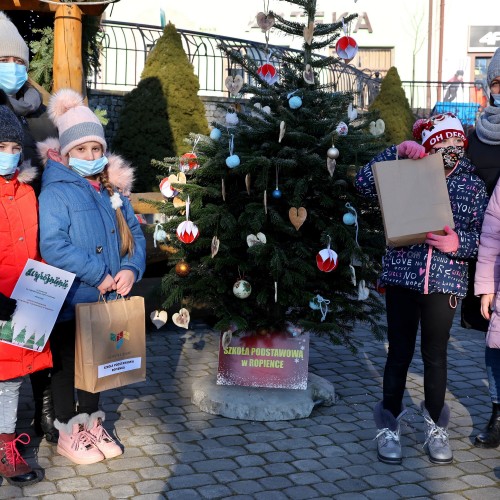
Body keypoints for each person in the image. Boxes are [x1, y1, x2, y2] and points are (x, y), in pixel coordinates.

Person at [356, 112, 488, 465]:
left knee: (436, 356)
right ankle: (389, 426)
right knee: (398, 353)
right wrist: (395, 151)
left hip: (445, 282)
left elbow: (483, 236)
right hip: (402, 278)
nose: (453, 149)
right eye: (445, 143)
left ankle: (435, 427)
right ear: (430, 146)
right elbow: (362, 184)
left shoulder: (472, 185)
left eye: (458, 143)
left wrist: (458, 244)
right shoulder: (406, 170)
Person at [37, 88, 146, 465]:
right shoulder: (55, 191)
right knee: (67, 366)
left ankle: (92, 422)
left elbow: (135, 234)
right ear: (67, 152)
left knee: (99, 365)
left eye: (95, 149)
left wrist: (131, 268)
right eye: (81, 150)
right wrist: (99, 274)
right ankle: (69, 428)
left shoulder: (111, 190)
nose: (89, 156)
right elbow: (54, 245)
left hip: (107, 299)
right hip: (73, 298)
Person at [0, 10, 59, 444]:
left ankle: (45, 417)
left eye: (19, 60)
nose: (14, 68)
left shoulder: (38, 110)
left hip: (31, 238)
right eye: (6, 59)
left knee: (37, 346)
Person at [0, 95, 51, 486]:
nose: (10, 155)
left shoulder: (27, 194)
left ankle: (6, 447)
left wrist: (46, 288)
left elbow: (35, 250)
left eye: (15, 148)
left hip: (20, 306)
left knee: (11, 380)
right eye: (1, 147)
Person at [465, 48, 500, 449]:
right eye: (498, 83)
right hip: (481, 252)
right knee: (492, 341)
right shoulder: (475, 136)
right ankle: (496, 412)